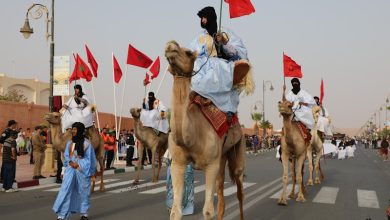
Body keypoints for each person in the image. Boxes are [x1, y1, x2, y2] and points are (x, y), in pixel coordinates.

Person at [188, 6, 251, 117]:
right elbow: (191, 53)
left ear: (211, 17)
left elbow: (239, 53)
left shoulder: (225, 32)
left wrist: (224, 42)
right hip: (203, 66)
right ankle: (200, 95)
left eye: (204, 17)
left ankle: (226, 109)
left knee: (218, 67)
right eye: (201, 18)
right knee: (197, 66)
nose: (202, 20)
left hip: (222, 64)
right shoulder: (199, 38)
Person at [52, 122, 96, 220]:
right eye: (73, 129)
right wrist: (66, 168)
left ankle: (84, 213)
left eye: (75, 129)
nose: (73, 131)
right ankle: (62, 215)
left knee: (84, 192)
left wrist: (84, 168)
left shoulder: (87, 144)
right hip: (71, 170)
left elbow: (91, 159)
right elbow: (67, 157)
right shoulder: (70, 143)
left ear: (80, 130)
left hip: (82, 171)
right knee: (66, 191)